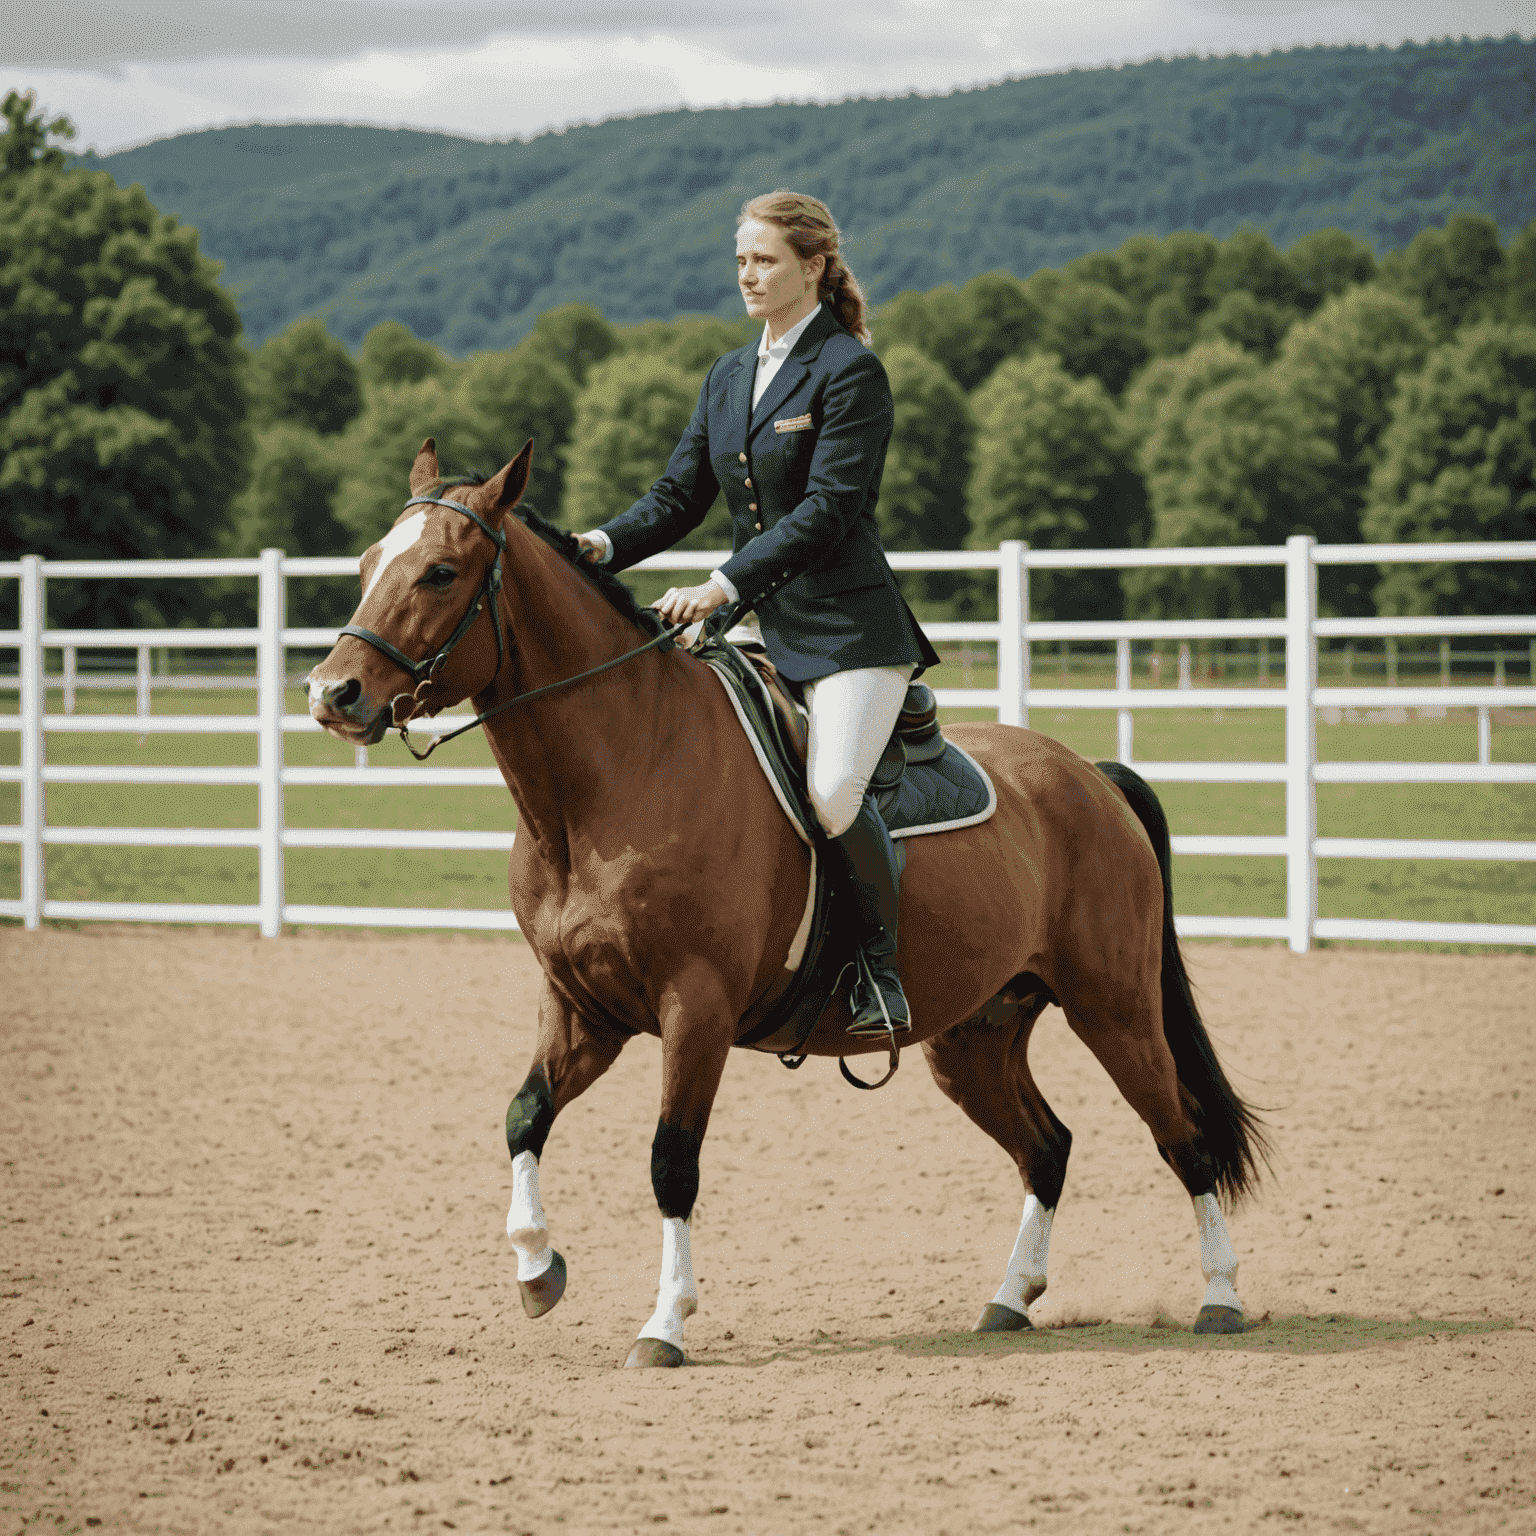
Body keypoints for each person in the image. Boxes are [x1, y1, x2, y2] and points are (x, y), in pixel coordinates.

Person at [576, 189, 940, 1038]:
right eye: (740, 259)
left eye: (764, 259)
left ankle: (877, 971)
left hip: (849, 635)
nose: (746, 273)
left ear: (813, 267)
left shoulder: (850, 370)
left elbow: (827, 512)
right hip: (753, 624)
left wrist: (722, 585)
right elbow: (677, 496)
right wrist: (594, 545)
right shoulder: (731, 373)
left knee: (834, 793)